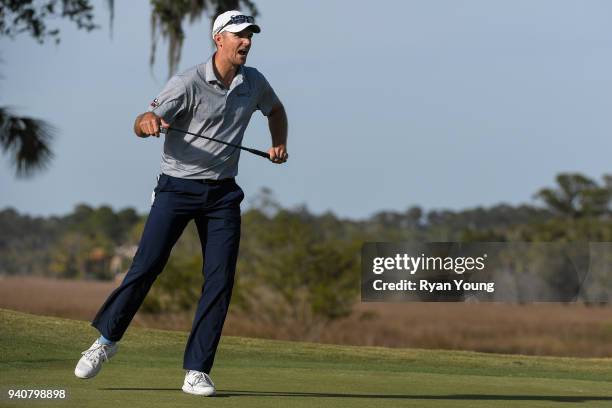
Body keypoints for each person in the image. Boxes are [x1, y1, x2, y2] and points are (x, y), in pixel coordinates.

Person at [73, 10, 288, 397]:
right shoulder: (187, 82)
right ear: (218, 39)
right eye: (239, 35)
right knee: (146, 267)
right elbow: (141, 120)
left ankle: (197, 370)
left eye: (250, 35)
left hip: (222, 194)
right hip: (177, 188)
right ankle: (105, 342)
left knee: (219, 279)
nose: (247, 42)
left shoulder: (254, 82)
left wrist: (279, 143)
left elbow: (276, 109)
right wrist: (149, 124)